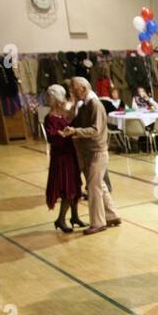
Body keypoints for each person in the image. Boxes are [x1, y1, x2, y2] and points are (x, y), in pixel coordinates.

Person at [62, 77, 121, 234]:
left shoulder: (95, 104)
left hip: (97, 152)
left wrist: (76, 131)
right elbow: (74, 121)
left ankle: (98, 223)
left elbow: (95, 130)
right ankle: (111, 215)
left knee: (93, 187)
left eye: (74, 90)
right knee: (99, 184)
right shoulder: (84, 104)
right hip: (89, 151)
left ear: (83, 88)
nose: (72, 92)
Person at [43, 84, 84, 233]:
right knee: (68, 189)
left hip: (70, 154)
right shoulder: (50, 118)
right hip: (61, 157)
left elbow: (71, 125)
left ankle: (74, 216)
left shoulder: (62, 116)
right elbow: (51, 137)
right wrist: (61, 134)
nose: (62, 101)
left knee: (75, 187)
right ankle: (61, 219)